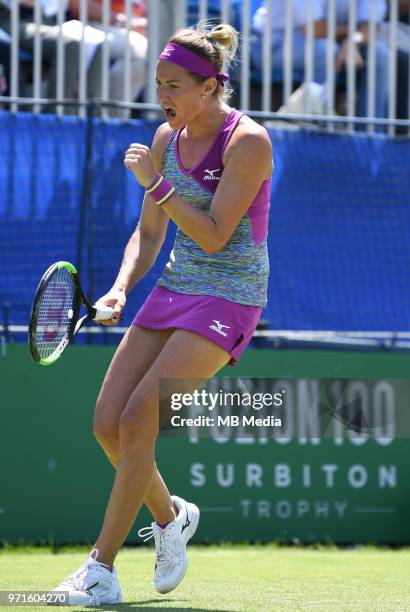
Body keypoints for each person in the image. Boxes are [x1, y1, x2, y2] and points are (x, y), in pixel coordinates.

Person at [52, 21, 272, 606]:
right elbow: (150, 235)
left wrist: (155, 183)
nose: (164, 96)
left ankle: (100, 569)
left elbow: (217, 237)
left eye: (175, 84)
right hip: (174, 287)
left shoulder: (248, 142)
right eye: (159, 84)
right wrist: (121, 287)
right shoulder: (165, 139)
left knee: (138, 421)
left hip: (230, 294)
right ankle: (171, 516)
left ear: (210, 86)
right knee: (108, 425)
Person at [251, 0, 389, 126]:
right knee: (327, 52)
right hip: (270, 42)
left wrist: (353, 42)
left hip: (332, 39)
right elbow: (314, 27)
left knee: (380, 54)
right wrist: (353, 33)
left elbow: (371, 25)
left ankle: (370, 138)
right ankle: (314, 127)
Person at [69, 0, 147, 118]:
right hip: (94, 25)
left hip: (134, 30)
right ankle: (111, 118)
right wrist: (122, 21)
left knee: (169, 51)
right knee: (141, 49)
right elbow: (77, 4)